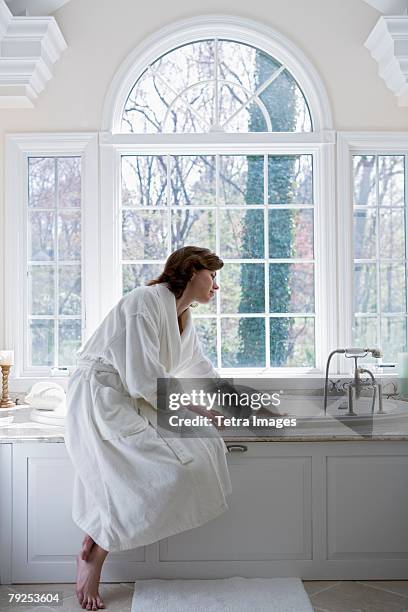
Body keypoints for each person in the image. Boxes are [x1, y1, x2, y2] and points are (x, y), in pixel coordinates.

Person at [64, 246, 232, 611]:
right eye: (212, 275)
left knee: (200, 448)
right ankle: (93, 557)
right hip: (102, 396)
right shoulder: (145, 302)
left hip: (134, 395)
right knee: (154, 470)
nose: (216, 286)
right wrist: (196, 408)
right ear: (191, 271)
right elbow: (143, 379)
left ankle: (96, 539)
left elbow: (200, 368)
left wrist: (238, 404)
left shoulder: (183, 316)